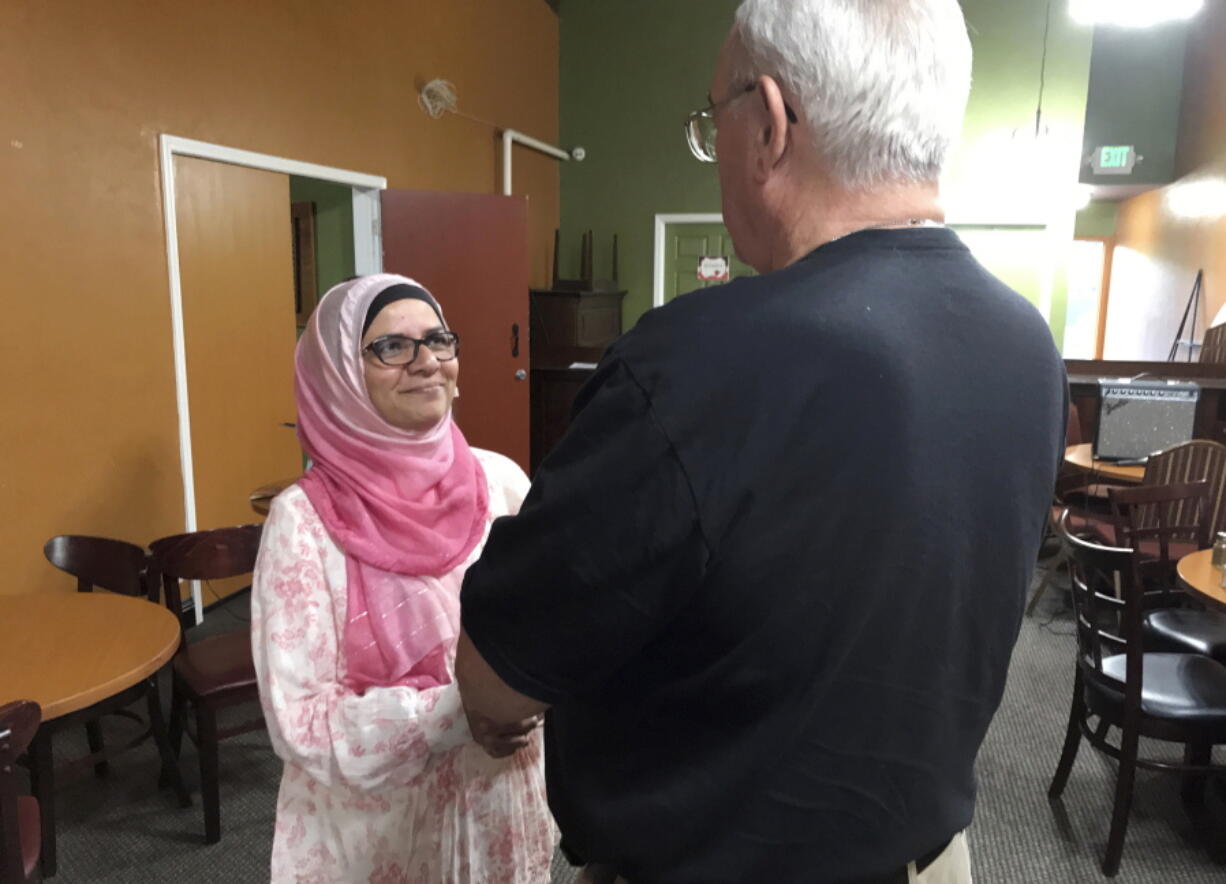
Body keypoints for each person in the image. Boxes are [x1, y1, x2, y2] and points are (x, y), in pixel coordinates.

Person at [456, 1, 1067, 882]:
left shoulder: (695, 363)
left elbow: (495, 678)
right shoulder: (1026, 345)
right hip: (928, 860)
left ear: (771, 125)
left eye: (715, 121)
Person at [251, 274, 556, 883]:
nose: (426, 363)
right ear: (339, 376)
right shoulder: (304, 524)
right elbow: (301, 721)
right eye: (392, 347)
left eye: (439, 340)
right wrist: (459, 711)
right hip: (380, 833)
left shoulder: (501, 486)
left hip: (497, 802)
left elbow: (550, 628)